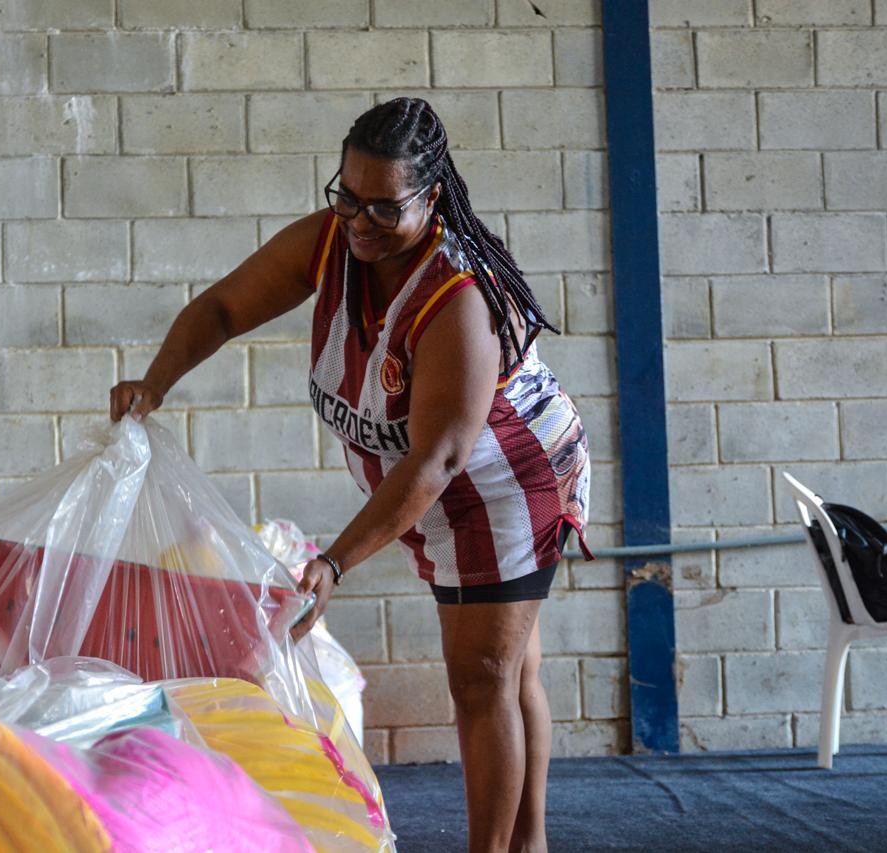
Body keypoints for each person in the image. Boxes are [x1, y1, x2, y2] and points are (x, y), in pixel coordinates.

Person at [111, 97, 591, 853]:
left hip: (506, 480)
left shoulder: (456, 297)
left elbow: (439, 459)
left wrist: (336, 560)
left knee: (480, 675)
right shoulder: (334, 243)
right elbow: (226, 306)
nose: (359, 220)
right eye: (347, 194)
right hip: (431, 483)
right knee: (506, 662)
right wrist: (155, 381)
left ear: (430, 199)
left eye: (382, 205)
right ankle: (527, 840)